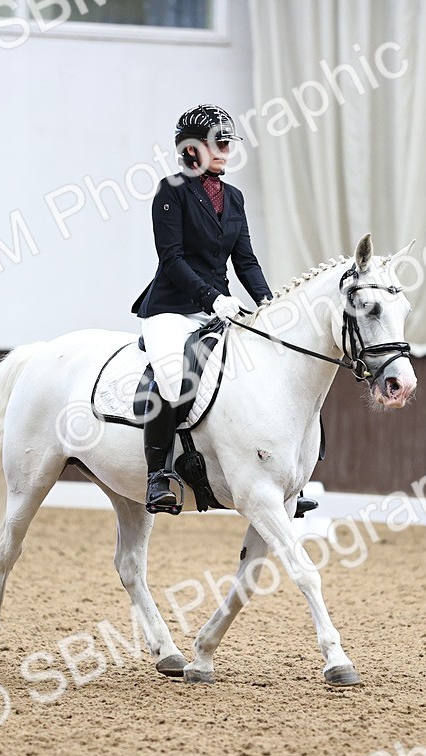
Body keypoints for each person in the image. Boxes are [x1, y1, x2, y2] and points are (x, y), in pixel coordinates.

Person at [130, 104, 274, 514]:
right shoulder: (170, 190)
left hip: (219, 309)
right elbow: (171, 259)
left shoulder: (234, 198)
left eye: (229, 143)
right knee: (174, 380)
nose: (227, 150)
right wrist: (212, 298)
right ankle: (158, 476)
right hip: (171, 309)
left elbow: (244, 261)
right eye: (219, 142)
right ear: (192, 148)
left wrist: (267, 304)